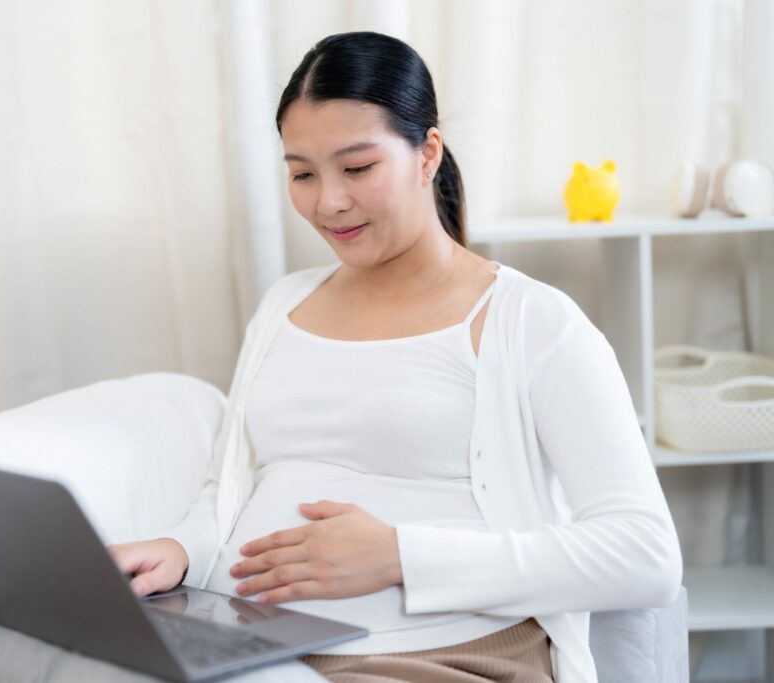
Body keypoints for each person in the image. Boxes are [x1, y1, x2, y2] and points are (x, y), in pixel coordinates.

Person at [108, 31, 683, 683]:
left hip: (437, 656)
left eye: (357, 168)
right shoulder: (282, 304)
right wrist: (180, 547)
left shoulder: (530, 320)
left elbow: (646, 553)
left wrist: (400, 556)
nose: (328, 202)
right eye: (302, 173)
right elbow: (233, 484)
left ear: (426, 152)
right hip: (254, 646)